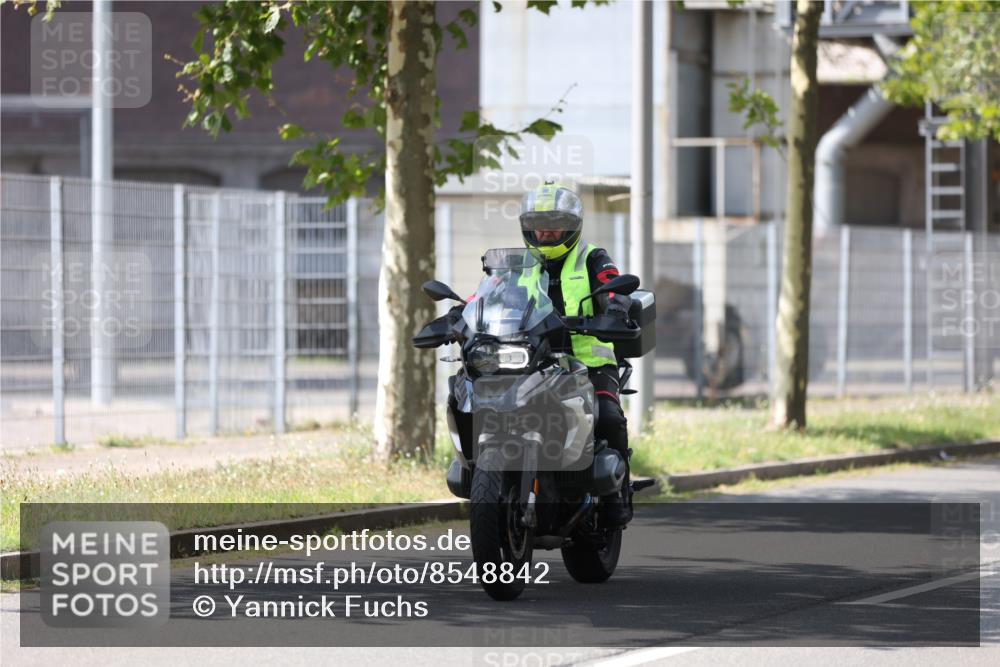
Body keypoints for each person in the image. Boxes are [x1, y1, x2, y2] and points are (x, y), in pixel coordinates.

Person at [519, 181, 633, 527]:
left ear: (572, 225)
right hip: (532, 361)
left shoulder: (592, 257)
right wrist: (465, 313)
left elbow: (613, 286)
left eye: (555, 221)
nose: (547, 230)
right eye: (539, 222)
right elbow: (492, 294)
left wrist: (614, 310)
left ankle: (616, 497)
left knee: (609, 417)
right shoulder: (520, 263)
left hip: (589, 362)